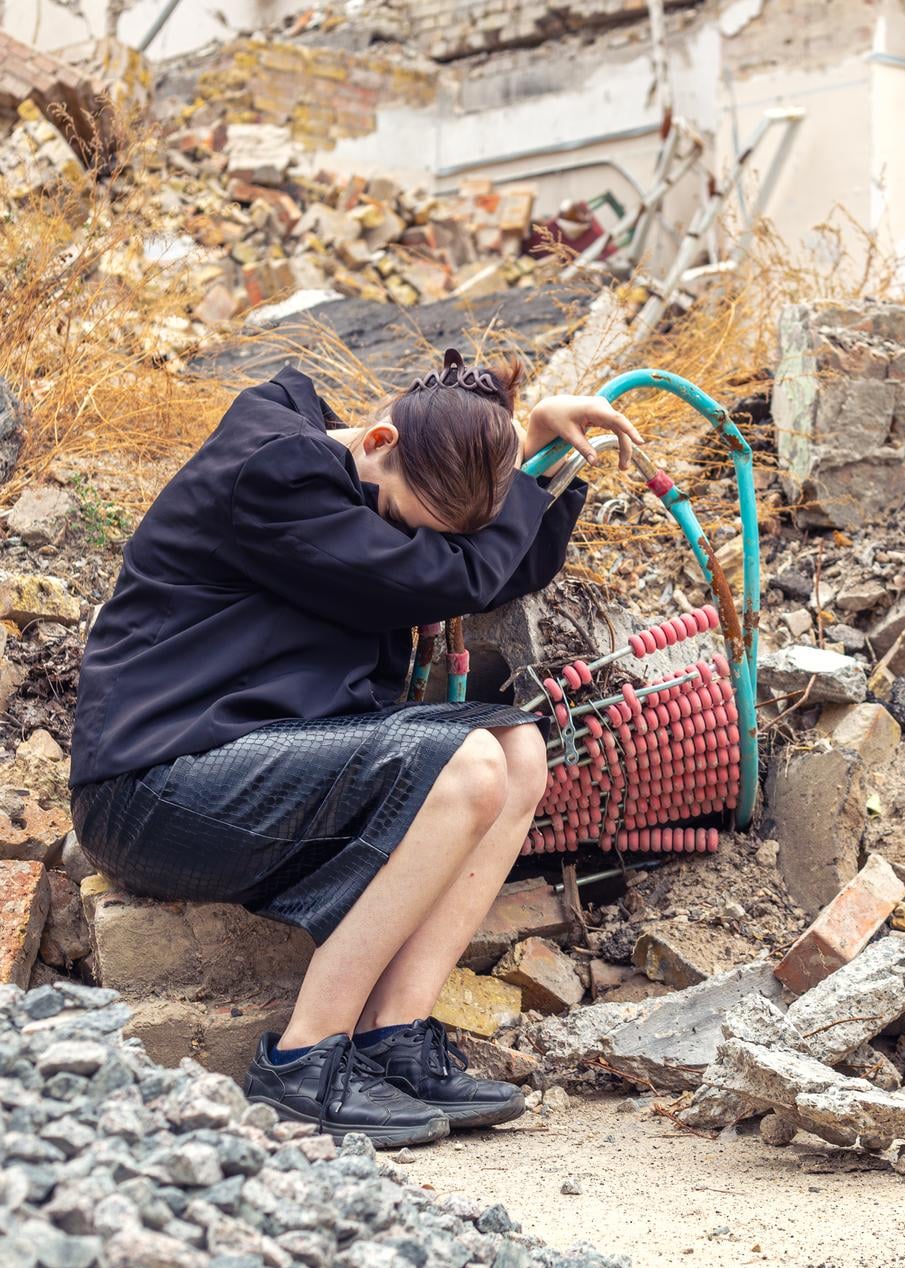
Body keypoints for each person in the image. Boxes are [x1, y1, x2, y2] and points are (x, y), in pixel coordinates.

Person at [68, 350, 642, 1148]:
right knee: (470, 761)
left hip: (254, 760)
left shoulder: (361, 478)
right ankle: (303, 1060)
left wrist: (538, 449)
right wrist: (522, 451)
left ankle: (391, 1037)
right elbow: (452, 578)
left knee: (518, 753)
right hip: (156, 786)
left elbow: (496, 569)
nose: (407, 534)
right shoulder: (279, 479)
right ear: (378, 440)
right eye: (408, 521)